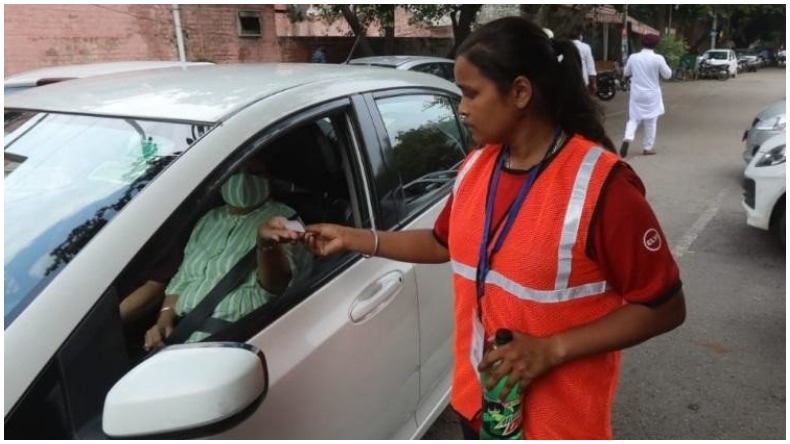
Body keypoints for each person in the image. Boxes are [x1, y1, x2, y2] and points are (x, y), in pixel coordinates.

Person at [302, 17, 685, 440]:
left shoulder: (601, 187)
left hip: (560, 425)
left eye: (471, 93)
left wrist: (552, 349)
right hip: (483, 407)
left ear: (520, 92)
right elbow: (440, 241)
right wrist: (354, 238)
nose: (461, 108)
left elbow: (665, 306)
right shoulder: (475, 167)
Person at [144, 155, 310, 349]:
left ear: (269, 179)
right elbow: (183, 279)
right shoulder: (208, 219)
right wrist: (164, 320)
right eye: (234, 172)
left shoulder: (285, 221)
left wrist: (266, 245)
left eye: (254, 172)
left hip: (233, 339)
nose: (242, 179)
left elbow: (276, 286)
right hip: (181, 333)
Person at [619, 33, 672, 158]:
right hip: (652, 94)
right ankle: (647, 148)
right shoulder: (658, 58)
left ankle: (628, 137)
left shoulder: (633, 57)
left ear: (642, 43)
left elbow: (626, 72)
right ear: (655, 45)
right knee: (651, 120)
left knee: (633, 119)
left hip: (637, 93)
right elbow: (667, 75)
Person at [569, 25, 597, 95]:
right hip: (582, 83)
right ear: (580, 35)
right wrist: (593, 84)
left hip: (567, 83)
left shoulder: (563, 46)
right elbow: (591, 68)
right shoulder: (585, 47)